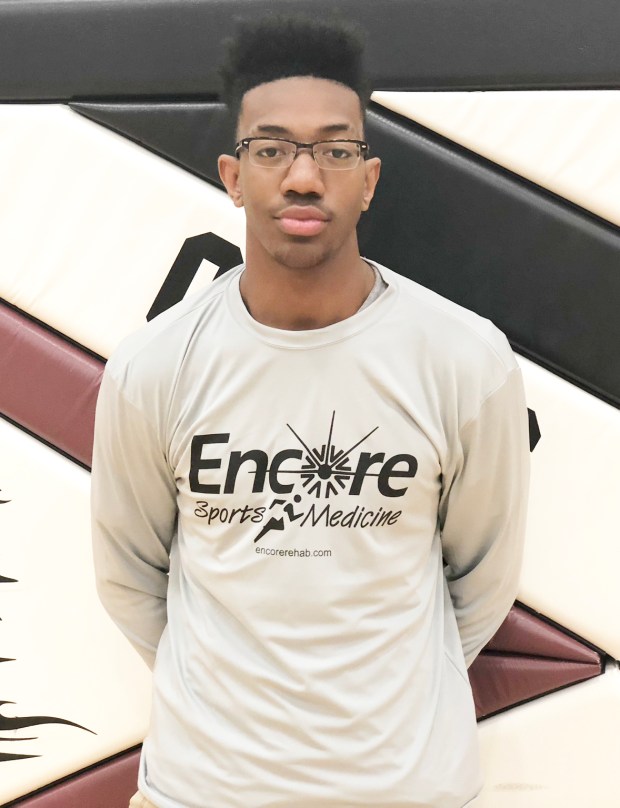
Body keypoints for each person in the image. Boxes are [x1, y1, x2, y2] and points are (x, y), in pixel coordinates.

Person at [91, 15, 530, 808]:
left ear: (368, 178)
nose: (303, 176)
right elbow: (128, 575)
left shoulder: (466, 359)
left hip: (407, 792)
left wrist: (390, 712)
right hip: (204, 793)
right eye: (272, 149)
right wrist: (228, 708)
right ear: (232, 175)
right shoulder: (154, 365)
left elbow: (483, 577)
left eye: (335, 149)